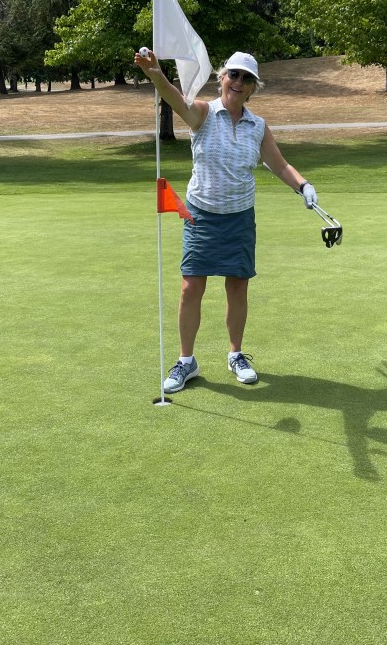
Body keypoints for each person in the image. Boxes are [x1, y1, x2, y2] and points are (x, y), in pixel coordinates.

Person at [135, 49, 318, 394]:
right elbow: (177, 102)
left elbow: (279, 164)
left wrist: (303, 186)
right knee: (191, 287)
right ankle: (186, 361)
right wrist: (156, 74)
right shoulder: (204, 113)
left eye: (247, 79)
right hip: (202, 215)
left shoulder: (257, 126)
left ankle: (236, 355)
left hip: (239, 219)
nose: (239, 82)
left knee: (237, 287)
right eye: (233, 74)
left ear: (253, 87)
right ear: (221, 77)